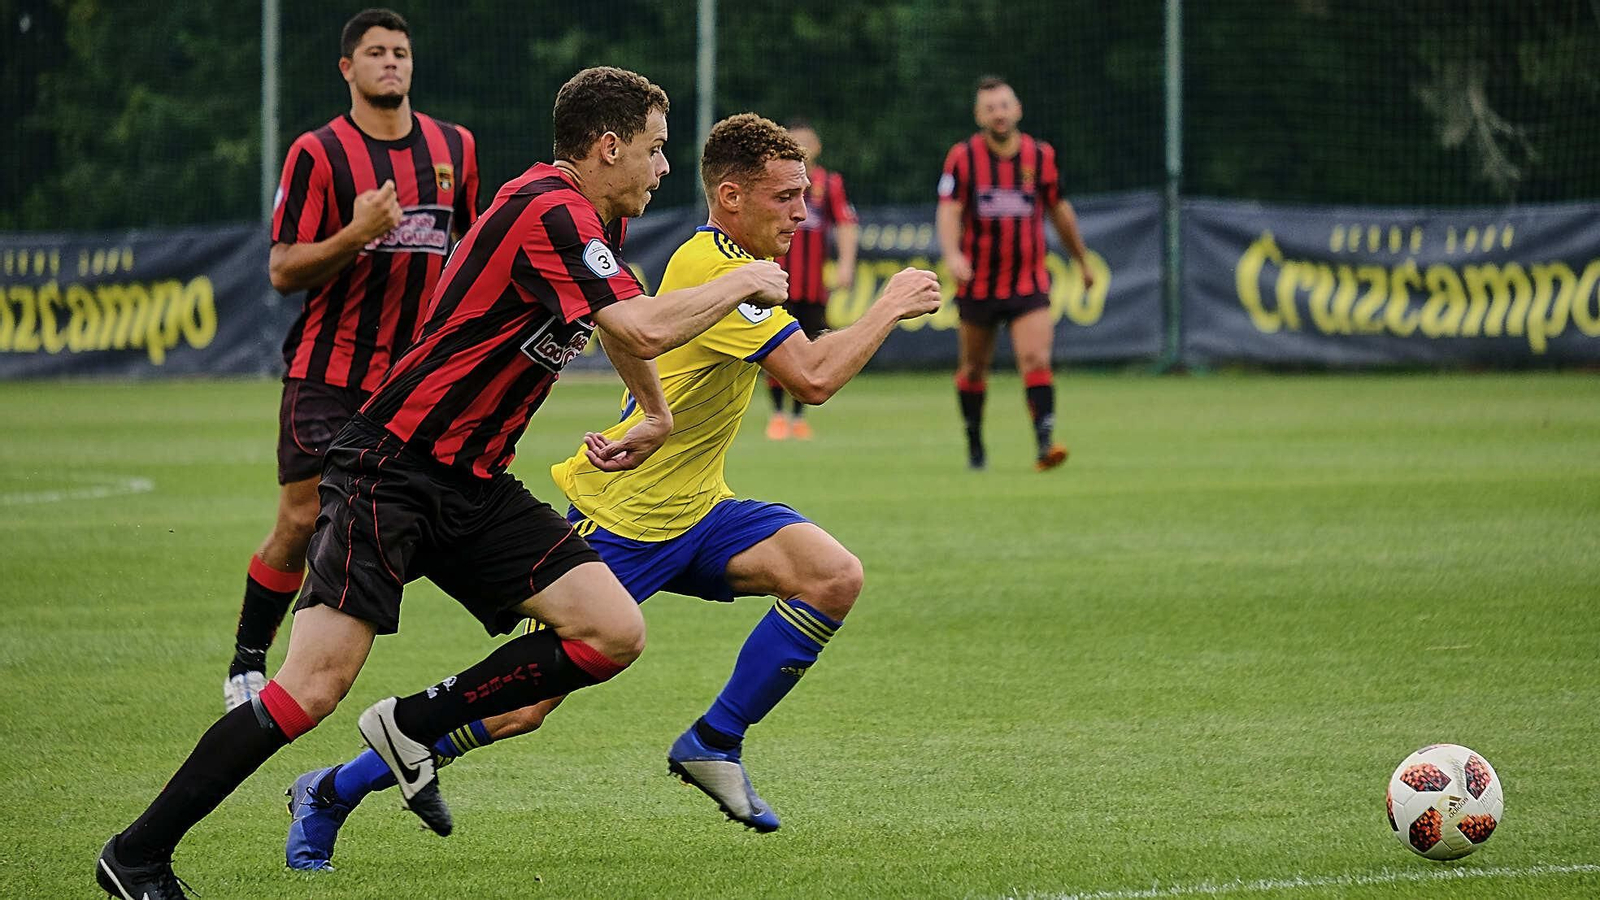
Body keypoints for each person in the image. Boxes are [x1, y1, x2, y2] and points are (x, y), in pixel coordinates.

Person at [94, 67, 790, 899]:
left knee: (612, 630)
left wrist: (656, 414)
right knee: (311, 687)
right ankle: (135, 853)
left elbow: (621, 327)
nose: (665, 167)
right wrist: (743, 277)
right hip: (393, 468)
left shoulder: (586, 219)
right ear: (610, 148)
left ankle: (410, 726)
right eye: (655, 148)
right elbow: (640, 322)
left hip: (474, 481)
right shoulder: (549, 208)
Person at [278, 113, 941, 870]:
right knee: (521, 707)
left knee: (832, 576)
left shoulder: (730, 265)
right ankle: (331, 788)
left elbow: (647, 341)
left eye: (805, 196)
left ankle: (713, 741)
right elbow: (814, 378)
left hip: (698, 512)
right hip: (624, 521)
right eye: (786, 197)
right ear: (730, 197)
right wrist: (888, 304)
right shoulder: (716, 272)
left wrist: (656, 414)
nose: (801, 212)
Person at [225, 7, 481, 712]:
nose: (391, 62)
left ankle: (316, 670)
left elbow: (467, 256)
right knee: (303, 519)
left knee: (413, 522)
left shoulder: (455, 147)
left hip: (411, 383)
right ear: (348, 68)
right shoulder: (319, 153)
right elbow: (282, 268)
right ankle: (248, 658)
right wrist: (357, 233)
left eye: (400, 51)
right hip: (329, 369)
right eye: (375, 52)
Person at [936, 75, 1094, 471]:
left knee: (1036, 358)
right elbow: (949, 209)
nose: (999, 113)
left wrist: (1082, 260)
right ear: (979, 116)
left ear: (1018, 109)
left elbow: (1059, 210)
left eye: (1004, 105)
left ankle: (1044, 445)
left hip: (1027, 280)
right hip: (978, 283)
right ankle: (975, 444)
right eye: (990, 108)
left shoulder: (1040, 157)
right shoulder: (962, 157)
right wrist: (953, 253)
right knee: (973, 368)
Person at [765, 119, 859, 441]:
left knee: (810, 348)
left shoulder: (829, 184)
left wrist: (846, 264)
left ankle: (798, 417)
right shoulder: (771, 181)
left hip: (813, 285)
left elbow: (846, 223)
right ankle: (777, 415)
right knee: (777, 349)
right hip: (777, 283)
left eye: (808, 142)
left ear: (817, 148)